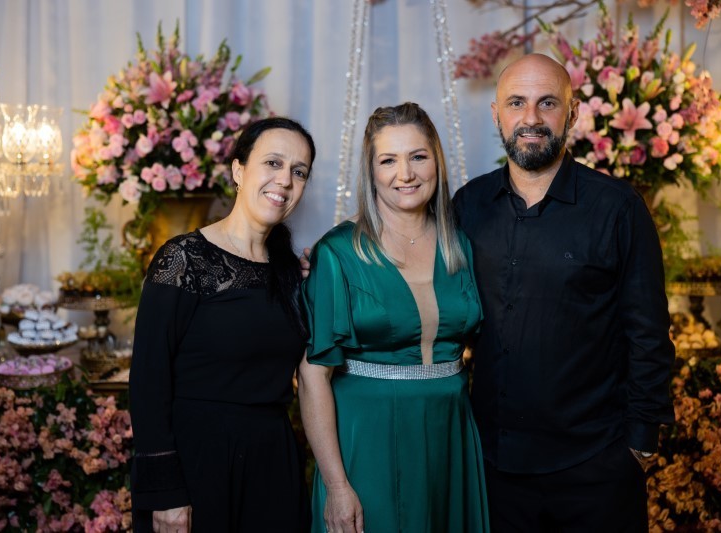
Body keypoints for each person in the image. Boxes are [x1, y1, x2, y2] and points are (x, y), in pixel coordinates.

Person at [452, 53, 675, 531]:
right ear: (496, 114)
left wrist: (640, 443)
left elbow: (649, 332)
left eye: (547, 103)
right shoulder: (468, 205)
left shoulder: (618, 208)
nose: (531, 118)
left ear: (572, 114)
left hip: (595, 466)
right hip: (494, 466)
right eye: (516, 103)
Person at [298, 102, 490, 533]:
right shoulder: (338, 252)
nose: (405, 174)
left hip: (450, 434)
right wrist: (336, 485)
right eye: (388, 160)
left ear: (436, 161)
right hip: (368, 439)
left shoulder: (459, 244)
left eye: (418, 156)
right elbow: (312, 378)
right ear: (371, 172)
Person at [129, 116, 316, 533]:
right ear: (238, 170)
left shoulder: (294, 274)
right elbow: (147, 382)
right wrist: (165, 492)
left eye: (299, 171)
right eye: (272, 163)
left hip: (273, 466)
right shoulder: (182, 259)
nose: (284, 180)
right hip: (197, 465)